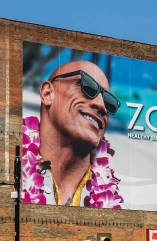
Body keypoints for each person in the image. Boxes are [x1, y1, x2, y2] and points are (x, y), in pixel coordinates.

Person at [22, 60, 124, 208]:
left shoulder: (116, 209)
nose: (102, 106)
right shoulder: (2, 175)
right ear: (47, 93)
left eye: (109, 103)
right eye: (87, 86)